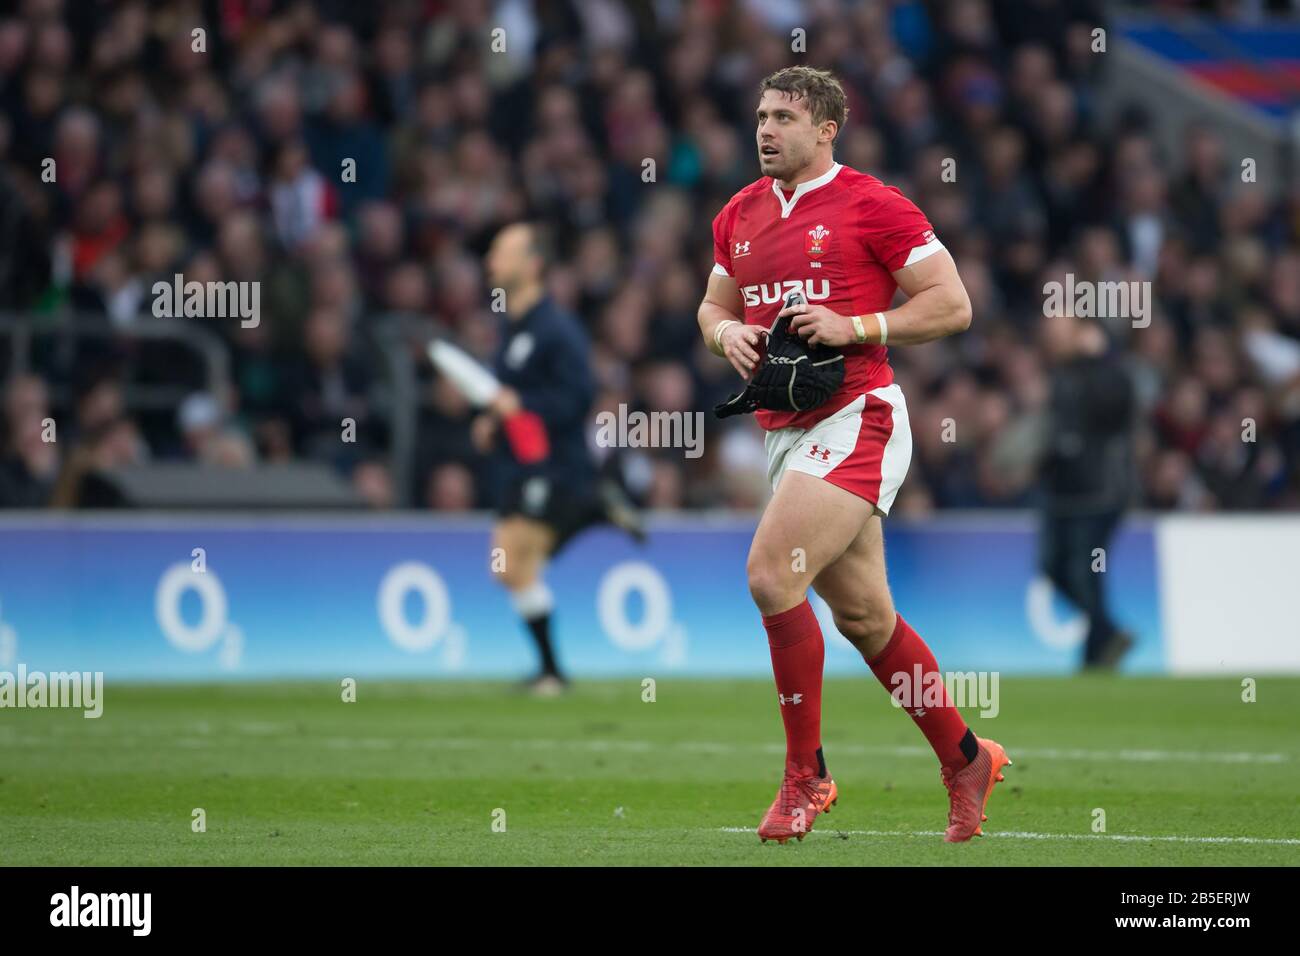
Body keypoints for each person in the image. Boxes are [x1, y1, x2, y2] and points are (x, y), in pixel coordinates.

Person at [696, 67, 1009, 844]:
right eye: (761, 116)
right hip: (785, 431)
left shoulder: (875, 204)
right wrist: (724, 332)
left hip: (859, 415)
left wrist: (857, 326)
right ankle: (966, 757)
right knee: (867, 618)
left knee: (771, 575)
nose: (765, 130)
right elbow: (713, 304)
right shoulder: (738, 213)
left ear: (826, 128)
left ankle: (808, 775)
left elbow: (953, 305)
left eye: (784, 119)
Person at [475, 222, 642, 695]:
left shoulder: (556, 328)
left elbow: (579, 396)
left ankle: (552, 672)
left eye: (500, 252)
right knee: (510, 567)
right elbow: (513, 396)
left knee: (511, 564)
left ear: (532, 265)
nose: (490, 261)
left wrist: (520, 409)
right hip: (519, 461)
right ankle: (593, 507)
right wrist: (495, 420)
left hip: (551, 464)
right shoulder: (513, 325)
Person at [1038, 311, 1137, 670]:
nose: (1051, 341)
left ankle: (1096, 653)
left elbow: (1116, 407)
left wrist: (1099, 357)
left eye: (1059, 333)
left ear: (1083, 334)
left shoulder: (1106, 372)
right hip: (1062, 492)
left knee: (1085, 571)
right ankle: (1106, 634)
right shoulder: (1059, 375)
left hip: (1100, 492)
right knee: (1053, 568)